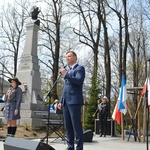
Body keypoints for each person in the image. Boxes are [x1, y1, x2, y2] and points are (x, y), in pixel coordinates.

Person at [58, 51, 85, 150]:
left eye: (69, 56)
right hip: (66, 102)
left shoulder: (80, 69)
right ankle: (70, 147)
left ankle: (79, 148)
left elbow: (78, 81)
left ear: (75, 57)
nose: (67, 58)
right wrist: (61, 100)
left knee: (76, 126)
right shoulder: (68, 71)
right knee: (68, 127)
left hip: (74, 101)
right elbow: (66, 88)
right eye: (66, 57)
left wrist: (66, 74)